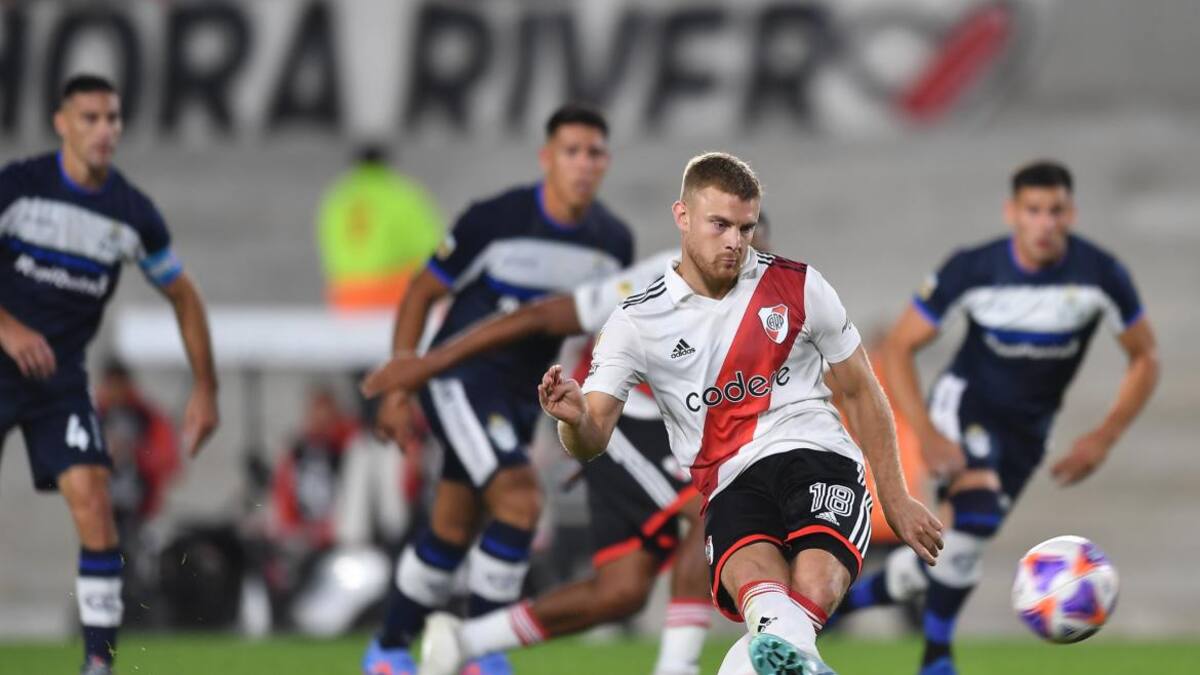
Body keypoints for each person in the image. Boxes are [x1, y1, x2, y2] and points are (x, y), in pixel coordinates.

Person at [522, 153, 942, 675]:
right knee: (771, 617)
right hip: (730, 484)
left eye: (745, 227)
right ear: (683, 217)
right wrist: (574, 417)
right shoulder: (636, 322)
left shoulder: (799, 286)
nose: (735, 242)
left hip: (817, 458)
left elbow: (862, 390)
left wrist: (895, 496)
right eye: (720, 225)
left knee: (811, 590)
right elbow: (592, 438)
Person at [364, 217, 768, 675]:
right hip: (618, 419)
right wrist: (427, 364)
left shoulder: (763, 307)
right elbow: (542, 316)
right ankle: (678, 667)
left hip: (668, 437)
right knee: (713, 508)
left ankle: (466, 641)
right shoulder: (658, 280)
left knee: (620, 592)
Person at [834, 160, 1159, 675]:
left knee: (954, 552)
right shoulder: (974, 269)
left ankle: (824, 609)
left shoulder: (1100, 276)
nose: (1045, 222)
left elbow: (1145, 356)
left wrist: (1104, 436)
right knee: (977, 515)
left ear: (1070, 214)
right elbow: (898, 347)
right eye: (1033, 210)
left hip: (1028, 434)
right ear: (1013, 213)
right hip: (965, 408)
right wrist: (927, 434)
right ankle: (937, 660)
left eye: (1055, 211)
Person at [362, 104, 633, 675]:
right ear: (547, 158)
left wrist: (594, 425)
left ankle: (387, 651)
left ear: (607, 162)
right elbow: (419, 294)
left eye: (595, 153)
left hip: (523, 397)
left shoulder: (613, 243)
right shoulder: (494, 220)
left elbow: (608, 339)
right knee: (520, 499)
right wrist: (398, 389)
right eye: (572, 151)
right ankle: (481, 655)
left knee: (453, 527)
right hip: (460, 380)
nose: (584, 164)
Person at [0, 74, 219, 675]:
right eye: (90, 117)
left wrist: (206, 386)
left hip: (57, 382)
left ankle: (99, 665)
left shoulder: (131, 214)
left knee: (96, 502)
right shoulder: (19, 188)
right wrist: (8, 327)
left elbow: (184, 294)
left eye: (113, 119)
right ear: (61, 123)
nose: (104, 131)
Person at [316, 143, 443, 310]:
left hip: (345, 294)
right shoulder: (402, 194)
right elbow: (431, 244)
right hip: (391, 292)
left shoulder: (337, 198)